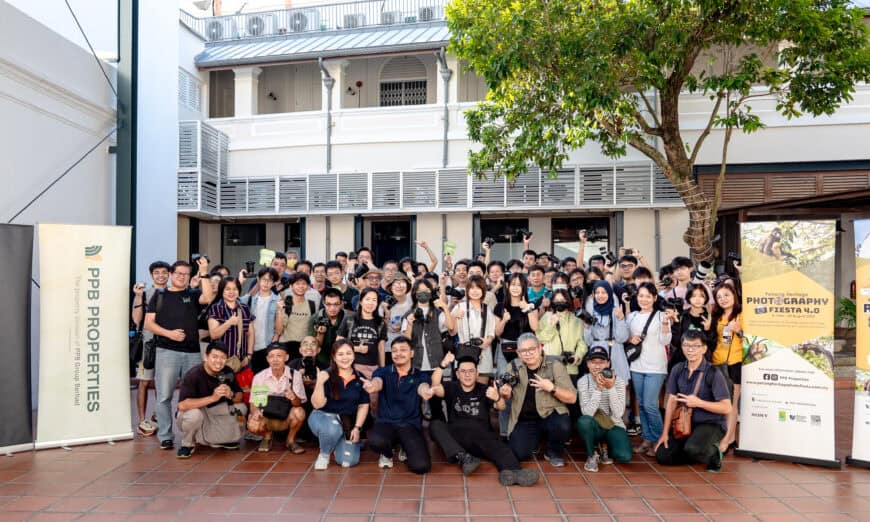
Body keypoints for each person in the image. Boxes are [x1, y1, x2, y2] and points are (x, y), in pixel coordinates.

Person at [429, 353, 539, 486]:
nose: (467, 375)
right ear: (457, 374)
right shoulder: (452, 387)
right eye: (463, 371)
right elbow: (434, 387)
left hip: (481, 436)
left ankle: (513, 473)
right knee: (435, 425)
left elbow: (502, 406)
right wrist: (443, 365)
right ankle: (463, 458)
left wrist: (497, 397)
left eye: (471, 371)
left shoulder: (485, 389)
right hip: (457, 436)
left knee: (501, 448)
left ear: (477, 373)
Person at [144, 257, 215, 450]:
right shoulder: (159, 296)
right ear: (171, 275)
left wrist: (205, 271)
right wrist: (169, 334)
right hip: (167, 351)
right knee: (164, 395)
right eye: (178, 274)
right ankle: (166, 435)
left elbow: (208, 298)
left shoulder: (193, 295)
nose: (182, 277)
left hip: (192, 352)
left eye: (186, 274)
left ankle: (191, 435)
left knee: (192, 394)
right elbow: (148, 323)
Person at [655, 331, 732, 472]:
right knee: (663, 456)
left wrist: (699, 403)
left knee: (693, 448)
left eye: (695, 346)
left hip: (711, 424)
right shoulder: (677, 369)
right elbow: (671, 401)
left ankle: (714, 454)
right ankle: (695, 451)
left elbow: (727, 408)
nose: (690, 350)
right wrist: (665, 433)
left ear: (704, 349)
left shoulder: (713, 373)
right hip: (685, 424)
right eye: (686, 345)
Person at [499, 333, 576, 467]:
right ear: (518, 352)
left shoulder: (555, 365)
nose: (528, 354)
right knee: (519, 454)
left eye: (532, 349)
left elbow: (572, 398)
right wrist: (505, 393)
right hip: (525, 418)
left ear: (540, 348)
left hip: (549, 415)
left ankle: (553, 451)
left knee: (562, 424)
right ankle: (534, 441)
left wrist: (552, 388)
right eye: (523, 351)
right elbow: (507, 395)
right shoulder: (513, 366)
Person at [362, 336, 433, 473]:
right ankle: (387, 453)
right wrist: (372, 386)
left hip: (409, 424)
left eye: (403, 350)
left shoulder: (420, 375)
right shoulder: (383, 371)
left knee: (421, 467)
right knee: (376, 442)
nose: (398, 353)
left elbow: (423, 386)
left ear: (412, 353)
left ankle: (403, 446)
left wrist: (425, 392)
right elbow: (378, 382)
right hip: (386, 422)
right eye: (394, 350)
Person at [627, 282, 676, 457]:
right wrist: (629, 339)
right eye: (641, 295)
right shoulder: (631, 316)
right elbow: (625, 338)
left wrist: (664, 323)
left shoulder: (661, 315)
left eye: (648, 296)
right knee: (641, 404)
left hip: (656, 367)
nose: (644, 299)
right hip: (636, 366)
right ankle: (647, 439)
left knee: (650, 404)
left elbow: (665, 341)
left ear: (655, 298)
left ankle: (660, 439)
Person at [175, 341, 246, 458]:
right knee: (194, 415)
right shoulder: (194, 374)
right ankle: (187, 444)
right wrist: (213, 398)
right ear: (206, 357)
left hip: (215, 412)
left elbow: (239, 396)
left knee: (241, 408)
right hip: (196, 411)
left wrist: (231, 394)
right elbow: (182, 405)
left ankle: (225, 439)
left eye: (223, 358)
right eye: (215, 357)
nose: (219, 361)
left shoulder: (228, 371)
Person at [309, 340, 371, 469]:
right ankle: (324, 454)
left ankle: (338, 441)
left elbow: (363, 405)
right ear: (334, 357)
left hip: (346, 421)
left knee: (348, 462)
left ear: (354, 355)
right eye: (340, 354)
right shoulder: (326, 375)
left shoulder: (360, 377)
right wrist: (319, 383)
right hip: (322, 416)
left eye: (348, 353)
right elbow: (317, 405)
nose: (345, 358)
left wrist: (357, 428)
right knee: (333, 429)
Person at [493, 272, 539, 437]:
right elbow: (497, 333)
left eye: (519, 285)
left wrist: (527, 309)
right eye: (512, 284)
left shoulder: (530, 304)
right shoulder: (500, 306)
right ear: (507, 286)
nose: (515, 288)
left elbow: (535, 328)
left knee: (524, 389)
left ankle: (523, 431)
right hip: (504, 349)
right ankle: (505, 431)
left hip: (525, 351)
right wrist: (504, 319)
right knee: (504, 389)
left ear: (524, 287)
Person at [402, 279, 456, 421]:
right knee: (415, 399)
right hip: (416, 363)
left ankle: (438, 427)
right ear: (414, 293)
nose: (423, 294)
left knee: (436, 400)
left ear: (431, 293)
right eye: (420, 292)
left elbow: (451, 328)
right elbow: (405, 340)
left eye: (426, 291)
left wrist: (445, 307)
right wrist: (409, 323)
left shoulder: (437, 312)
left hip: (435, 363)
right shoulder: (409, 313)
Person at [131, 260, 170, 436]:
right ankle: (142, 420)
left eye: (163, 272)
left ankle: (157, 415)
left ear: (169, 274)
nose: (160, 275)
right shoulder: (144, 294)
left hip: (168, 343)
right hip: (148, 343)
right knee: (144, 382)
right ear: (151, 275)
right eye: (157, 273)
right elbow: (136, 319)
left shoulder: (173, 292)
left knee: (165, 383)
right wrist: (138, 297)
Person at [576, 346, 631, 472]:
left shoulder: (619, 381)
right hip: (595, 424)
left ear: (608, 363)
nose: (597, 366)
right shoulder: (583, 381)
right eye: (593, 362)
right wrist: (599, 389)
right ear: (588, 364)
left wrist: (610, 387)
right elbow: (587, 413)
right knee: (584, 422)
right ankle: (591, 455)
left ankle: (604, 446)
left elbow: (618, 413)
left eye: (601, 362)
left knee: (625, 457)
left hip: (613, 424)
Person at [248, 343, 308, 454]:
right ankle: (267, 437)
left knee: (300, 412)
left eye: (279, 356)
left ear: (286, 357)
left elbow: (298, 403)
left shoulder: (295, 375)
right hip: (267, 418)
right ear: (267, 359)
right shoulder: (260, 377)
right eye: (271, 356)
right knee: (252, 423)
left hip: (286, 418)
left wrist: (293, 397)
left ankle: (290, 440)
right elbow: (254, 403)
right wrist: (255, 412)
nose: (275, 360)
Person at [711, 282, 743, 454]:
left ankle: (729, 439)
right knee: (721, 402)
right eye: (719, 297)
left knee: (732, 403)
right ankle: (727, 436)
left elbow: (752, 341)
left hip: (735, 364)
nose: (723, 299)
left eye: (726, 295)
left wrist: (738, 331)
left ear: (734, 296)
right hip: (717, 363)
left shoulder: (742, 315)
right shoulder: (716, 316)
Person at [582, 281, 630, 383]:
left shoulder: (615, 310)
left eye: (604, 292)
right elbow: (588, 341)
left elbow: (622, 338)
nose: (600, 296)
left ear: (609, 293)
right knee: (598, 388)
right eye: (597, 293)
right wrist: (586, 327)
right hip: (596, 353)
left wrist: (621, 319)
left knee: (617, 388)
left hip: (615, 352)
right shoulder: (590, 311)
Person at [452, 275, 496, 382]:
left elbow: (491, 332)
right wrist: (454, 317)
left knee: (482, 390)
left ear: (483, 290)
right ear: (467, 290)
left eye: (478, 288)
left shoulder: (487, 309)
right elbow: (452, 332)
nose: (475, 291)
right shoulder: (459, 307)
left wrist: (488, 341)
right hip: (465, 353)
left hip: (483, 354)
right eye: (472, 288)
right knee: (464, 391)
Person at [239, 267, 283, 374]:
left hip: (267, 346)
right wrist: (240, 281)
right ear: (258, 280)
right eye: (264, 279)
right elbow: (232, 299)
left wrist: (279, 311)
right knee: (249, 382)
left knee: (266, 381)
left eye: (270, 280)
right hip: (248, 347)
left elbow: (279, 329)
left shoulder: (278, 300)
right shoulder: (249, 299)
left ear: (273, 283)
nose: (266, 283)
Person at [536, 289, 587, 378]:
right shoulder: (546, 316)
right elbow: (540, 339)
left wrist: (578, 355)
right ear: (552, 302)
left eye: (563, 300)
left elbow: (582, 343)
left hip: (570, 367)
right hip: (550, 367)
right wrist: (551, 326)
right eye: (556, 301)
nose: (560, 303)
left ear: (568, 301)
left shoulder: (576, 320)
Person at [338, 287, 387, 379]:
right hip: (350, 366)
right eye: (367, 299)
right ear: (361, 302)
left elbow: (381, 348)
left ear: (377, 303)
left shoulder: (380, 322)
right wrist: (356, 348)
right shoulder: (350, 319)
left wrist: (382, 369)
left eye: (374, 300)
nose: (370, 303)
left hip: (372, 368)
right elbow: (337, 344)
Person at [207, 277, 255, 368]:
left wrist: (249, 356)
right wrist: (228, 323)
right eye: (227, 289)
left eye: (235, 289)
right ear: (222, 291)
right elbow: (213, 335)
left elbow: (251, 334)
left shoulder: (244, 308)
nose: (231, 292)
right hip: (220, 362)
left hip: (242, 361)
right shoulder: (216, 308)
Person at [277, 272, 316, 359]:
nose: (301, 286)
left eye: (303, 283)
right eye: (297, 283)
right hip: (286, 346)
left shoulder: (312, 305)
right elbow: (279, 331)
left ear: (308, 287)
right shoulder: (286, 304)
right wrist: (279, 311)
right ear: (291, 286)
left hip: (304, 347)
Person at [314, 287, 349, 367]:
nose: (332, 308)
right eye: (328, 304)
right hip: (321, 362)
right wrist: (320, 334)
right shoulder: (315, 318)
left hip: (343, 362)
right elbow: (313, 345)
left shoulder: (349, 318)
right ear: (323, 303)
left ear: (341, 303)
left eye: (336, 304)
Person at [384, 272, 414, 364]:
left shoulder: (412, 303)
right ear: (390, 287)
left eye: (402, 283)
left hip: (408, 348)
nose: (399, 286)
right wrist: (386, 321)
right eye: (396, 283)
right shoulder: (385, 304)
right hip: (389, 348)